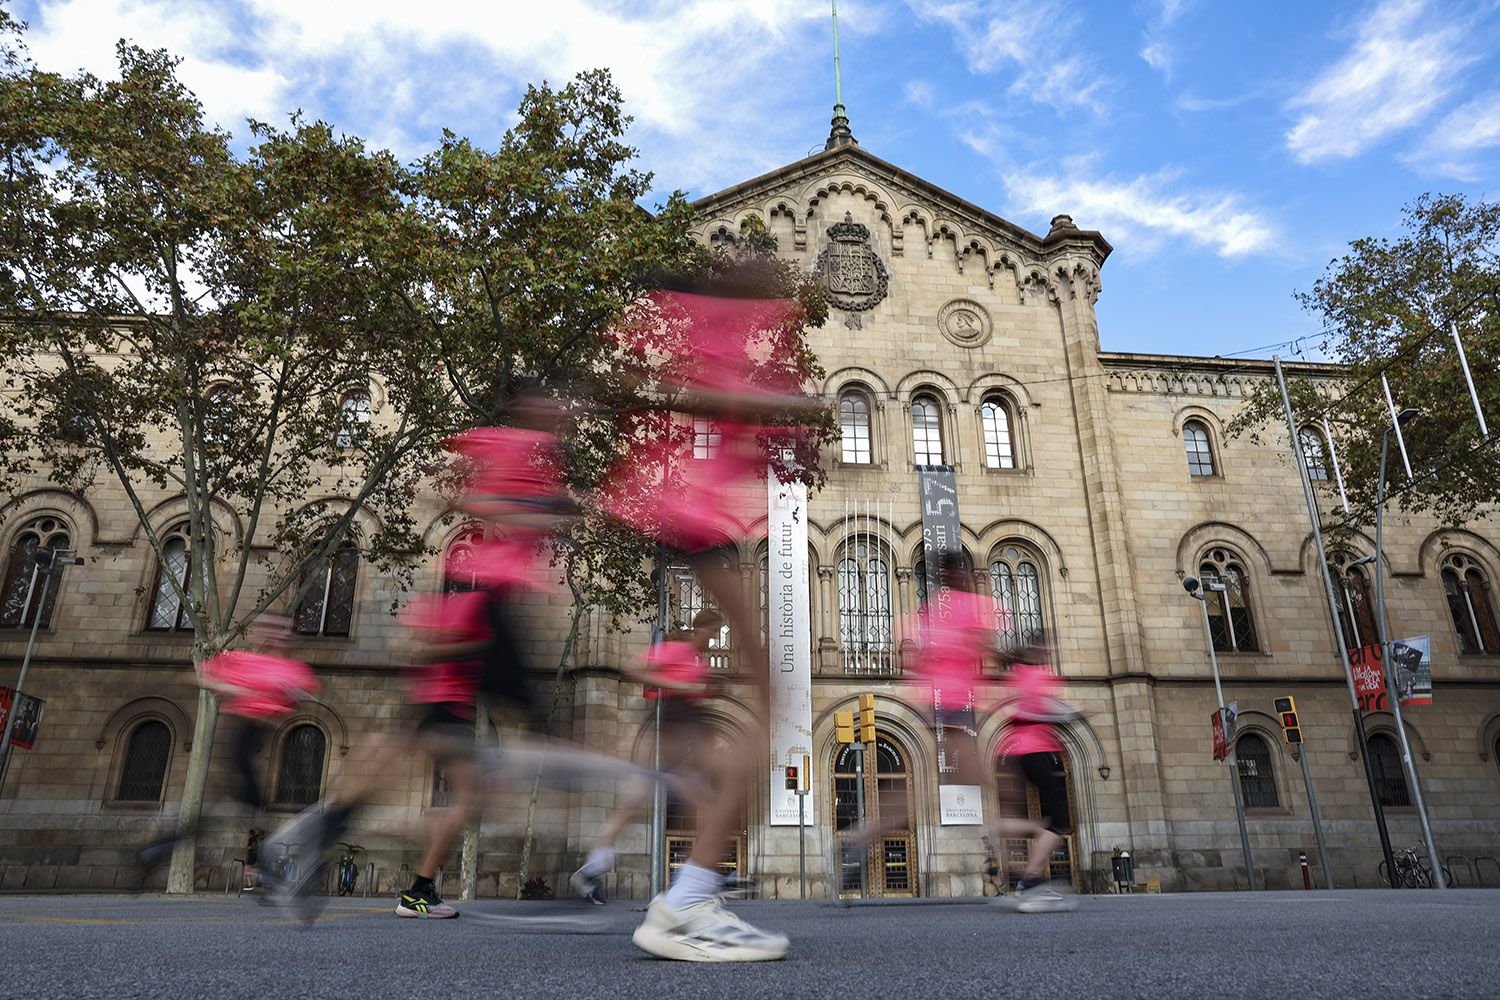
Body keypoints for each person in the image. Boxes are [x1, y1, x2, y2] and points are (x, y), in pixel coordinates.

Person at [601, 284, 824, 962]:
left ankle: (692, 890)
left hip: (689, 521)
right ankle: (689, 900)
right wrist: (788, 405)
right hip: (696, 521)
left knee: (746, 739)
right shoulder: (716, 334)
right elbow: (692, 395)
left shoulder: (689, 325)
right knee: (777, 709)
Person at [137, 615, 317, 880]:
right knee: (251, 804)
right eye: (278, 630)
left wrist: (293, 695)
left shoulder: (293, 669)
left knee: (242, 807)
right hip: (239, 739)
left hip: (259, 740)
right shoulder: (247, 661)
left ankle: (161, 847)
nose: (285, 635)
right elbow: (195, 677)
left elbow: (303, 694)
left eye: (288, 631)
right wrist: (237, 689)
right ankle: (256, 866)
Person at [570, 609, 724, 906]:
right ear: (701, 629)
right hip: (664, 735)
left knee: (638, 803)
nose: (714, 639)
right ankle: (703, 876)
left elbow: (696, 697)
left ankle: (591, 869)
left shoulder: (698, 661)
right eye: (713, 632)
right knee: (700, 801)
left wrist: (709, 688)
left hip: (676, 741)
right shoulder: (677, 649)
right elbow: (636, 671)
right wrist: (682, 686)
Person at [992, 633, 1078, 913]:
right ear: (1037, 650)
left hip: (1025, 753)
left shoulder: (1021, 673)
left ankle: (1026, 874)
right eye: (1047, 648)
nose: (1050, 652)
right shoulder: (1035, 676)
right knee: (1058, 821)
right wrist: (1072, 713)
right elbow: (1040, 711)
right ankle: (1030, 880)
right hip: (1035, 753)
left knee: (1050, 821)